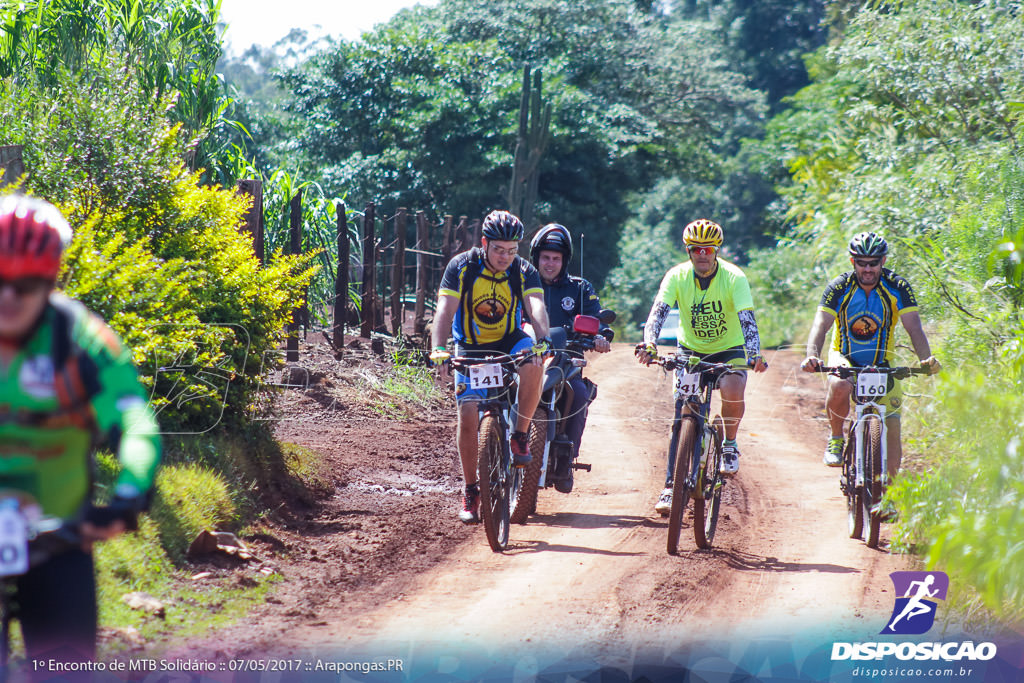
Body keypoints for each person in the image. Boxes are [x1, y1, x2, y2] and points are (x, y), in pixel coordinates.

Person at [0, 195, 161, 667]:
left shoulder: (81, 339)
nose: (9, 297)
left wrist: (130, 494)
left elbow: (134, 422)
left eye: (26, 285)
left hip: (58, 537)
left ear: (50, 282)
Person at [636, 219, 767, 516]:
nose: (702, 255)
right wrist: (649, 344)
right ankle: (670, 486)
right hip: (691, 351)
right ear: (688, 250)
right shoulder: (676, 276)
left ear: (717, 250)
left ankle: (730, 444)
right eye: (696, 249)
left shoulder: (735, 277)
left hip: (729, 349)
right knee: (682, 412)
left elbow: (747, 320)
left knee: (733, 388)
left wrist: (755, 353)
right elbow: (657, 314)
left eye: (708, 249)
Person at [430, 210, 552, 524]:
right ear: (484, 243)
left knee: (534, 360)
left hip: (508, 340)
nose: (505, 257)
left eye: (512, 250)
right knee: (468, 415)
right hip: (470, 344)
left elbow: (536, 305)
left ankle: (520, 434)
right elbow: (445, 310)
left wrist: (543, 337)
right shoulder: (462, 266)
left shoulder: (523, 270)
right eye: (498, 249)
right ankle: (471, 490)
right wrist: (439, 348)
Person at [800, 231, 940, 477]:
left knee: (893, 425)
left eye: (873, 263)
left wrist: (925, 360)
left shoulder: (897, 286)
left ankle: (890, 494)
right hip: (844, 355)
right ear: (852, 261)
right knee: (840, 384)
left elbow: (914, 328)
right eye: (861, 263)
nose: (867, 269)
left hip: (882, 360)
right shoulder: (839, 287)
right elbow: (820, 325)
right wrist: (812, 355)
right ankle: (836, 438)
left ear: (882, 261)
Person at [529, 223, 611, 493]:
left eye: (556, 258)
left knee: (577, 392)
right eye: (545, 257)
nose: (550, 263)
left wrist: (600, 336)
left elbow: (597, 319)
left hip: (566, 362)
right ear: (536, 258)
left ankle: (566, 456)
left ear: (564, 261)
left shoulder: (579, 288)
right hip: (526, 357)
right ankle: (492, 448)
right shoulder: (522, 282)